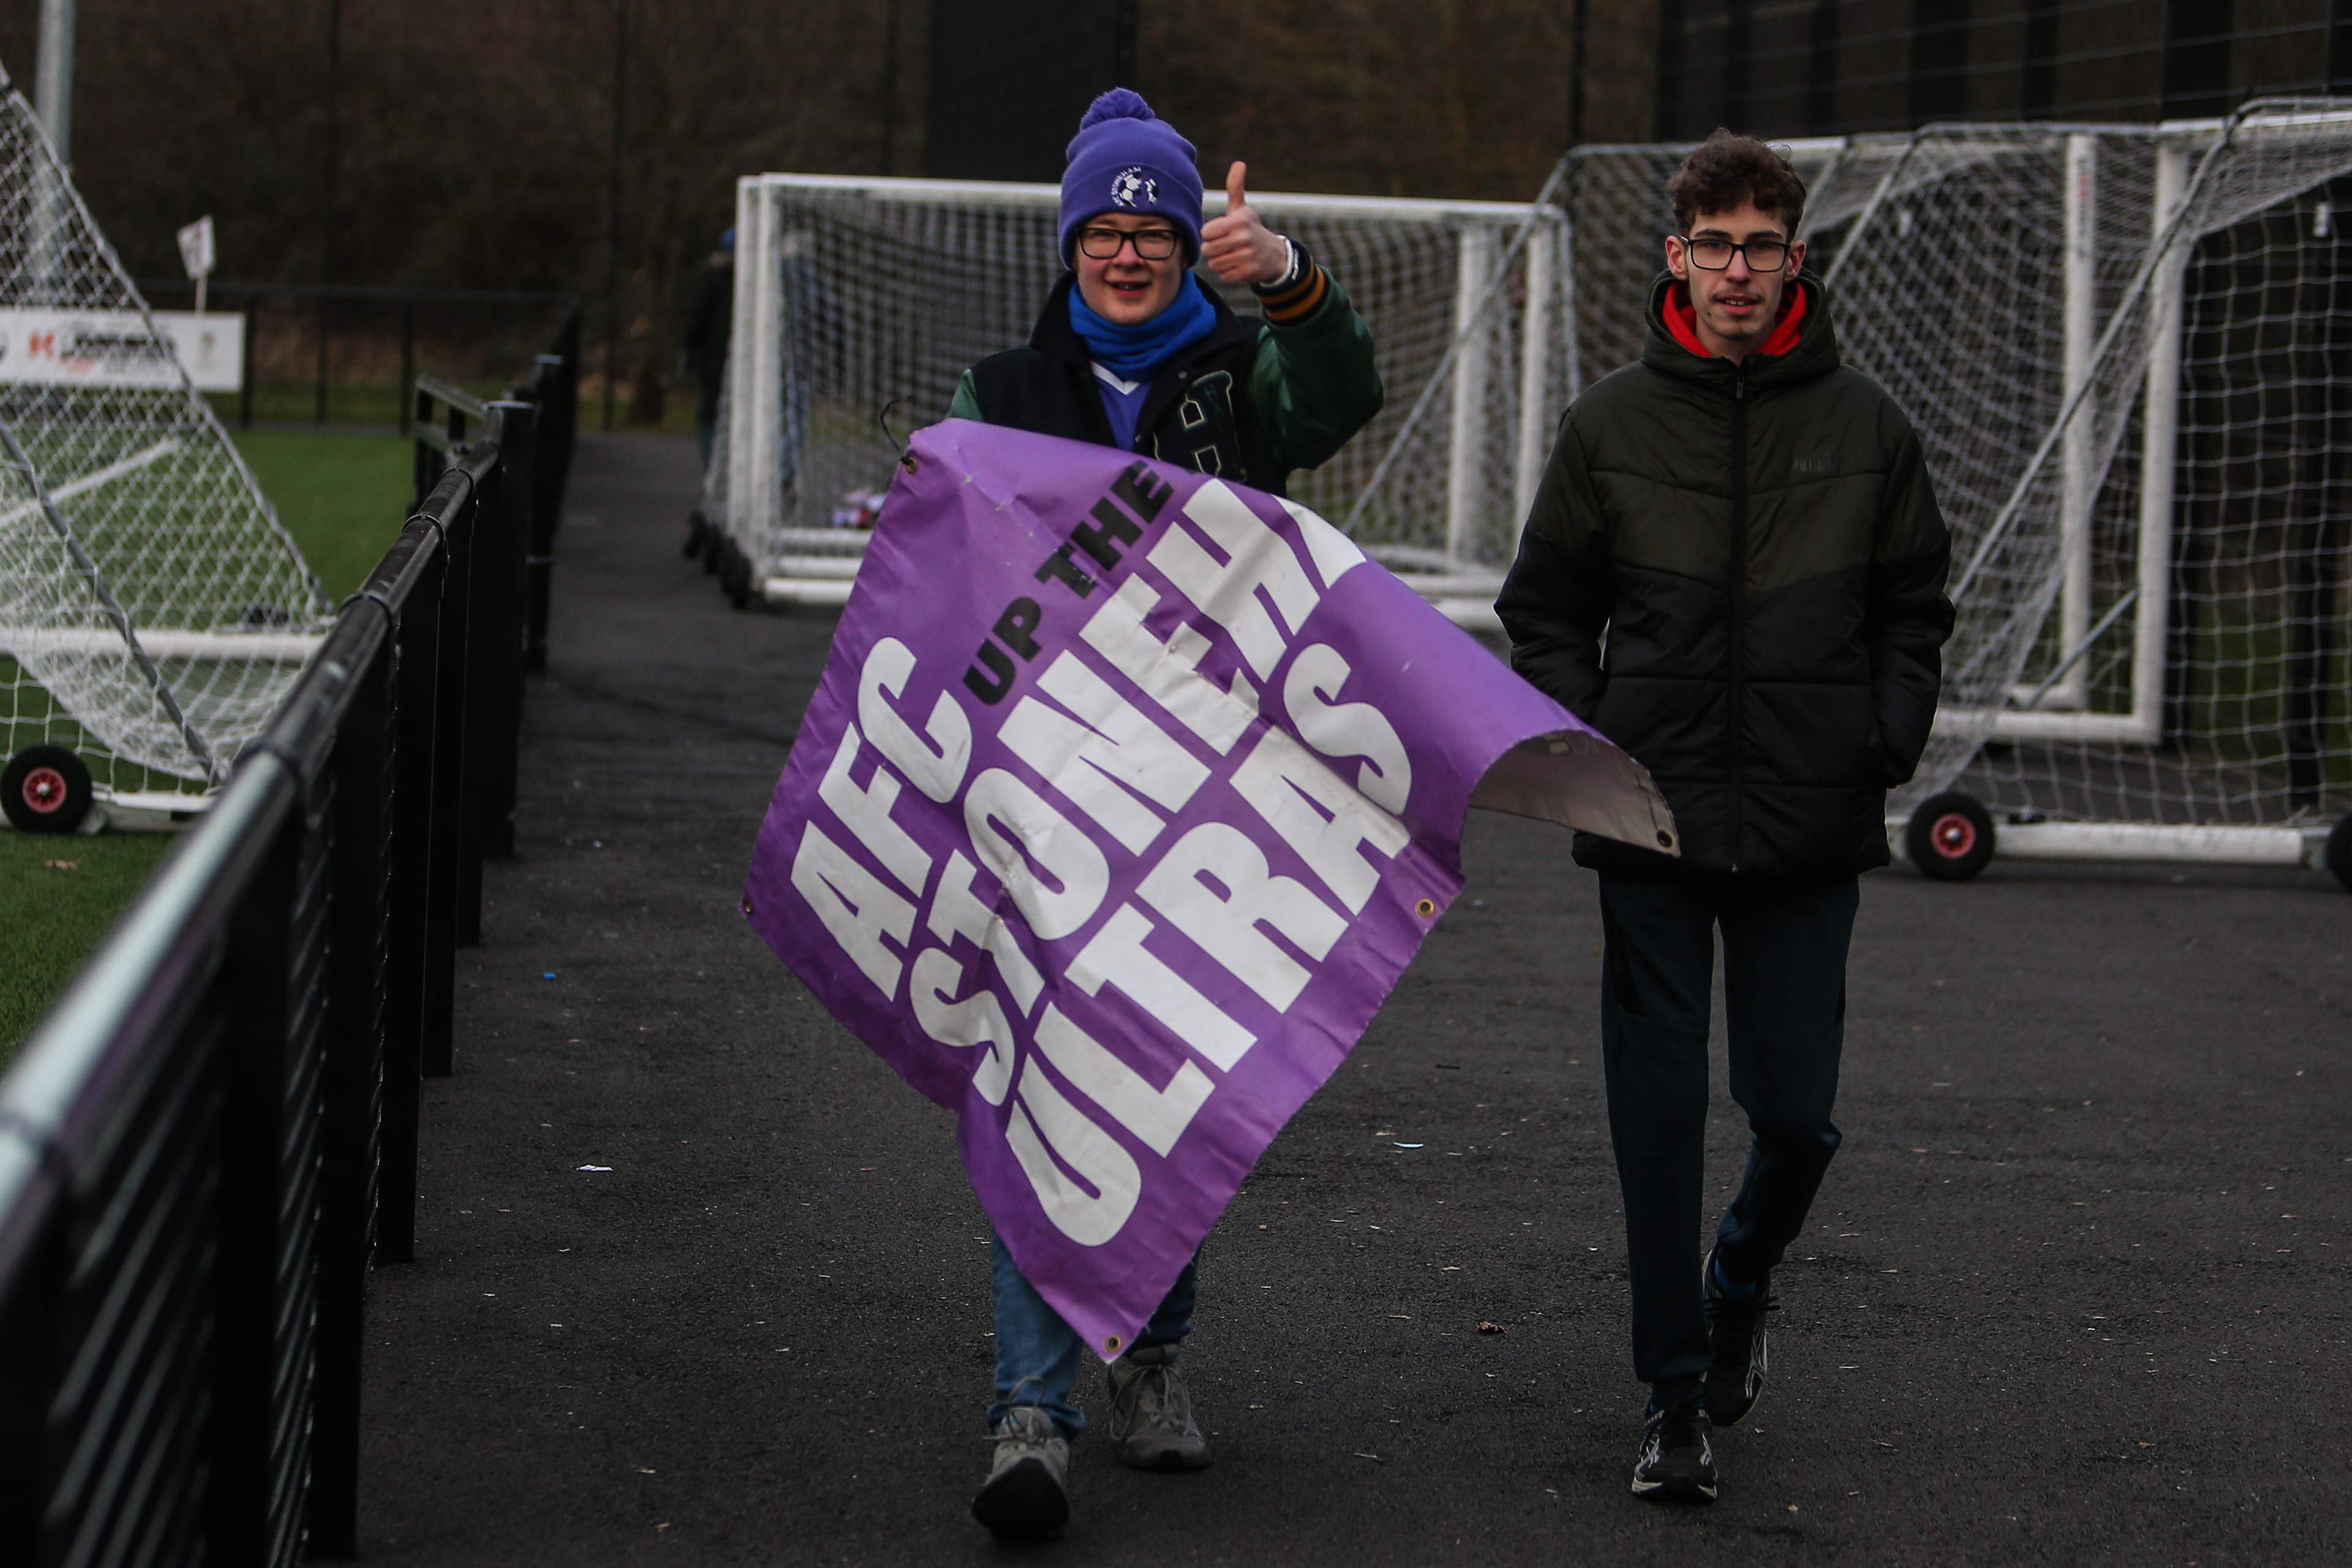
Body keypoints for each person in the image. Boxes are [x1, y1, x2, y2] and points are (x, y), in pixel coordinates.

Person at [943, 86, 1384, 1540]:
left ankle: (1150, 1358)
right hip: (1048, 807)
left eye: (1152, 230)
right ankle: (1031, 1407)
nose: (1127, 256)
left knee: (1173, 1099)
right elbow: (940, 580)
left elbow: (1341, 395)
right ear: (1067, 245)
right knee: (1038, 1094)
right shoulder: (1001, 392)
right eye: (1103, 232)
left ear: (1188, 246)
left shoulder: (1245, 374)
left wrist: (1294, 288)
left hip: (1212, 806)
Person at [1495, 130, 1953, 1505]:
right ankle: (1672, 1394)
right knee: (1655, 1115)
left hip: (1810, 820)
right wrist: (1601, 740)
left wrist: (1882, 734)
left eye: (1763, 245)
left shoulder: (1867, 426)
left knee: (1800, 1116)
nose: (1739, 269)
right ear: (1679, 257)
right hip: (1651, 822)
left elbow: (1917, 607)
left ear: (1795, 257)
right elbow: (1543, 610)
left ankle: (1741, 1275)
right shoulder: (1612, 423)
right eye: (1716, 246)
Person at [680, 228, 734, 467]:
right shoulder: (758, 280)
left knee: (709, 419)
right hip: (733, 364)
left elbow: (697, 318)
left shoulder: (712, 279)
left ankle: (715, 470)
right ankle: (726, 469)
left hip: (714, 362)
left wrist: (687, 347)